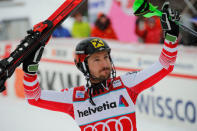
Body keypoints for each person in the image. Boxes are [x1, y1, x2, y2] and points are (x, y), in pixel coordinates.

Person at [22, 2, 180, 131]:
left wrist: (171, 37)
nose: (105, 63)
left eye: (106, 57)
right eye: (96, 59)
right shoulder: (75, 98)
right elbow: (33, 97)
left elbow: (165, 65)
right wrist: (30, 68)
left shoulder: (127, 85)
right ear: (83, 65)